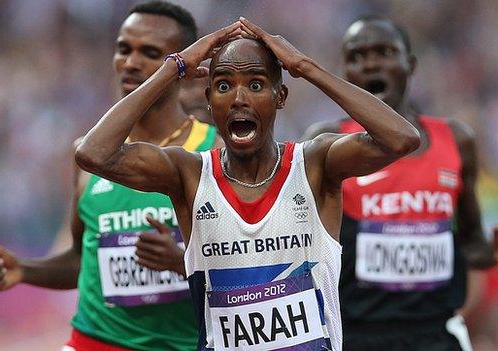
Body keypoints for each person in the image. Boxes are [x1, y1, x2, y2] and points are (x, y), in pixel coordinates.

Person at [74, 17, 420, 350]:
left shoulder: (315, 164)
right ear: (209, 99)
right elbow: (94, 153)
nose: (239, 99)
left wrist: (304, 67)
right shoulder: (189, 173)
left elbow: (401, 138)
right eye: (224, 86)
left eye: (255, 85)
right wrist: (174, 68)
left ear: (279, 97)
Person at [0, 2, 220, 350]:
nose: (131, 62)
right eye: (124, 49)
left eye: (151, 53)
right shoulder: (89, 154)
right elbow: (82, 259)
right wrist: (24, 270)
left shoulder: (214, 153)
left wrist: (182, 263)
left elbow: (248, 269)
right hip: (92, 342)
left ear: (185, 68)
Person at [303, 16, 498, 351]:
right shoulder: (326, 144)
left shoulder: (456, 140)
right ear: (344, 73)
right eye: (356, 56)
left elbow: (471, 244)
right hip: (356, 335)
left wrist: (494, 251)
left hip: (435, 334)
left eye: (384, 52)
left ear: (411, 64)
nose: (371, 64)